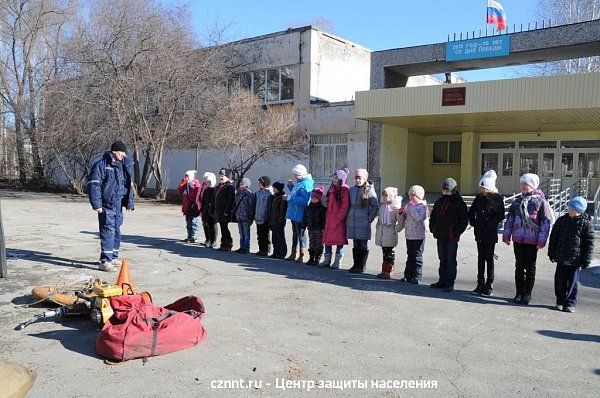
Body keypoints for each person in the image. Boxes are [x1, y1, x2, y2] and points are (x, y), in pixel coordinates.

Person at [503, 173, 552, 305]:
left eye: (526, 184)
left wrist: (541, 241)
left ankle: (527, 294)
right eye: (522, 183)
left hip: (532, 241)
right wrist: (507, 235)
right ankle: (519, 293)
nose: (523, 186)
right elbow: (510, 220)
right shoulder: (517, 202)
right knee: (519, 266)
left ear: (533, 185)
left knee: (530, 267)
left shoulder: (541, 202)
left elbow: (545, 223)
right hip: (518, 240)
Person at [87, 140, 134, 272]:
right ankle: (105, 261)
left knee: (116, 230)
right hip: (106, 205)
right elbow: (94, 184)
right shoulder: (101, 165)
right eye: (121, 152)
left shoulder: (124, 165)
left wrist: (129, 203)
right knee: (108, 230)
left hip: (118, 205)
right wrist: (97, 204)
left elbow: (128, 185)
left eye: (125, 152)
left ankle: (113, 256)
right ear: (114, 152)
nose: (124, 155)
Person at [548, 197, 594, 313]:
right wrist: (551, 252)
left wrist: (586, 260)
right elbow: (554, 237)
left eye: (571, 208)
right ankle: (560, 301)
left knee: (573, 282)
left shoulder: (586, 223)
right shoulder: (562, 220)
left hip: (575, 259)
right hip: (561, 256)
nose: (568, 209)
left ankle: (571, 303)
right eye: (569, 207)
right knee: (559, 281)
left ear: (578, 210)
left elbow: (589, 243)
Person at [467, 170, 505, 296]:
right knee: (480, 258)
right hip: (479, 232)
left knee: (489, 258)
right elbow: (471, 211)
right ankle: (480, 283)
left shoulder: (497, 198)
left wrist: (491, 225)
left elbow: (500, 215)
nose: (481, 191)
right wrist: (474, 222)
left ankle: (489, 284)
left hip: (490, 233)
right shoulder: (479, 198)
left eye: (483, 188)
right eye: (480, 188)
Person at [429, 178, 468, 292]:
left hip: (451, 237)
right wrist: (433, 228)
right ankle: (442, 280)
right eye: (444, 191)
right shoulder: (439, 202)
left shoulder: (459, 203)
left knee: (451, 260)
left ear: (453, 190)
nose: (445, 193)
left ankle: (449, 283)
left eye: (448, 191)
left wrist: (455, 232)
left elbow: (463, 221)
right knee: (442, 258)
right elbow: (433, 216)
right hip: (440, 234)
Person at [346, 168, 379, 274]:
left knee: (363, 244)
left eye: (359, 178)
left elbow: (375, 206)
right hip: (353, 222)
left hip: (363, 222)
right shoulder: (352, 190)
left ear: (365, 178)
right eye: (356, 178)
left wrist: (370, 218)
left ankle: (361, 266)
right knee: (355, 244)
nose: (357, 180)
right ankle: (356, 264)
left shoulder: (370, 190)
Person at [321, 169, 350, 269]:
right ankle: (327, 259)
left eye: (336, 178)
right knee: (328, 240)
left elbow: (345, 206)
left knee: (339, 241)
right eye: (333, 178)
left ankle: (337, 261)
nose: (334, 180)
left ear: (341, 179)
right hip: (329, 218)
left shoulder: (344, 190)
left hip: (338, 220)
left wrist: (339, 217)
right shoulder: (332, 189)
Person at [285, 164, 314, 263]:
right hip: (294, 213)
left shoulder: (306, 184)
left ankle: (302, 254)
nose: (294, 176)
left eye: (295, 174)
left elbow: (304, 200)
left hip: (300, 213)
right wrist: (290, 187)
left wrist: (290, 198)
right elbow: (297, 193)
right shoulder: (299, 182)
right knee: (295, 233)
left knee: (301, 234)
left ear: (300, 174)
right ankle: (293, 253)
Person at [399, 185, 428, 284]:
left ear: (419, 196)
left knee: (417, 256)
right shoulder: (409, 205)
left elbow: (419, 218)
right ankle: (407, 275)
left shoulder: (422, 206)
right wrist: (401, 212)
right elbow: (405, 215)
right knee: (410, 255)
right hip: (409, 234)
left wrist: (411, 208)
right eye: (409, 195)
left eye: (413, 195)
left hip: (419, 235)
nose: (410, 197)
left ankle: (417, 276)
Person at [374, 187, 401, 279]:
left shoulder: (395, 208)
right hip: (382, 232)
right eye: (383, 196)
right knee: (384, 252)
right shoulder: (382, 207)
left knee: (390, 252)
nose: (384, 198)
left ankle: (389, 271)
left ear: (391, 196)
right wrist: (378, 226)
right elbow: (379, 218)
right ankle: (383, 270)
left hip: (390, 232)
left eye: (386, 196)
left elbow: (400, 221)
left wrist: (396, 229)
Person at [213, 168, 236, 252]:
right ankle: (223, 244)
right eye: (220, 175)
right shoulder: (220, 186)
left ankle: (228, 243)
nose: (221, 177)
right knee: (223, 227)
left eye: (222, 176)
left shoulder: (230, 186)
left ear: (227, 176)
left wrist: (227, 211)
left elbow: (230, 200)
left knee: (224, 227)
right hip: (219, 211)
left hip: (225, 212)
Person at [302, 187, 327, 265]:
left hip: (319, 229)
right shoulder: (308, 208)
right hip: (311, 228)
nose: (313, 200)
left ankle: (317, 259)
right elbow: (305, 218)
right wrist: (303, 227)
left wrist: (323, 228)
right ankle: (311, 258)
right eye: (312, 198)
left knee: (319, 244)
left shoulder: (322, 209)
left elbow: (324, 220)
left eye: (315, 198)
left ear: (319, 199)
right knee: (311, 243)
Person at [177, 170, 201, 243]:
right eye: (185, 176)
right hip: (187, 207)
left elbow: (198, 191)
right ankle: (189, 236)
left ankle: (194, 236)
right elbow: (179, 190)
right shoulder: (185, 184)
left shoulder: (195, 183)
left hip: (193, 207)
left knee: (194, 222)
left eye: (187, 176)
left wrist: (192, 184)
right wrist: (183, 182)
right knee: (188, 223)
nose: (186, 177)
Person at [234, 178, 255, 254]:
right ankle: (242, 246)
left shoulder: (250, 195)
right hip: (239, 216)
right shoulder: (239, 194)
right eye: (240, 184)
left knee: (246, 233)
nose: (240, 185)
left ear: (246, 185)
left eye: (242, 184)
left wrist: (251, 217)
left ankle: (246, 247)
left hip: (246, 217)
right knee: (241, 233)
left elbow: (251, 207)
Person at [254, 176, 273, 256]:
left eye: (260, 182)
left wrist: (267, 216)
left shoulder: (269, 193)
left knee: (265, 234)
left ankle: (266, 249)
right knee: (259, 234)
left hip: (264, 218)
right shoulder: (258, 193)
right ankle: (261, 249)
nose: (259, 184)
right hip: (258, 217)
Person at [269, 182, 288, 259]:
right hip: (273, 220)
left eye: (275, 188)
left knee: (280, 237)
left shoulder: (282, 198)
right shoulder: (274, 197)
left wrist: (280, 220)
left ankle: (282, 253)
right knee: (274, 238)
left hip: (279, 221)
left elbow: (282, 211)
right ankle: (275, 252)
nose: (273, 189)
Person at [200, 172, 218, 248]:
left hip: (212, 211)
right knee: (206, 225)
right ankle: (208, 240)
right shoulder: (206, 190)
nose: (209, 183)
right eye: (208, 182)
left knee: (212, 226)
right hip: (205, 210)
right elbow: (203, 201)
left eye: (210, 182)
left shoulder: (215, 190)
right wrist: (201, 210)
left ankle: (213, 241)